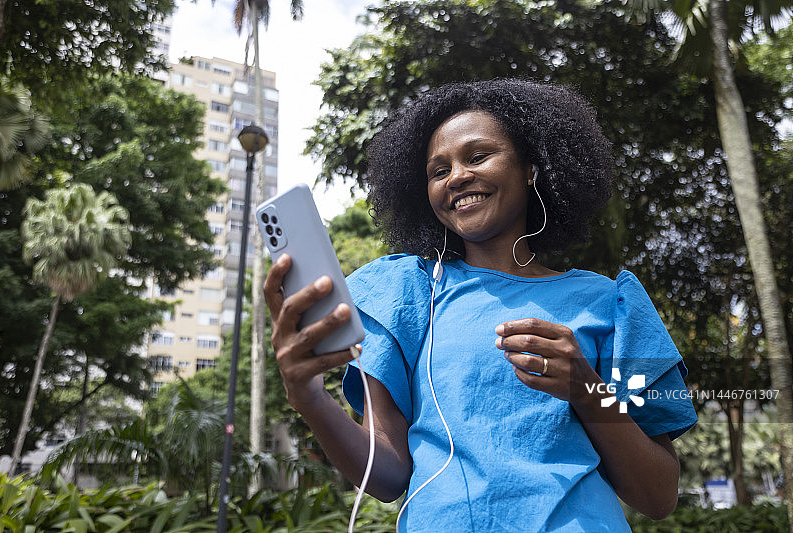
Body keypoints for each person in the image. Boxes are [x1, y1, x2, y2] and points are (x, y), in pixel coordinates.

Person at [264, 78, 697, 532]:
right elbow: (388, 475)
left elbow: (659, 494)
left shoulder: (611, 303)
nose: (457, 177)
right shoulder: (399, 294)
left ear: (531, 168)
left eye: (478, 156)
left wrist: (585, 389)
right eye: (438, 170)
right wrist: (308, 396)